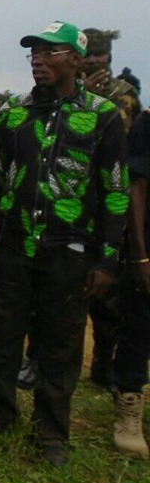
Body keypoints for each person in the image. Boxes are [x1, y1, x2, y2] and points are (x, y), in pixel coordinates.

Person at [0, 21, 129, 467]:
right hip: (14, 245)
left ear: (77, 61)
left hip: (71, 250)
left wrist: (108, 259)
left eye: (50, 53)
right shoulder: (14, 113)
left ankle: (51, 433)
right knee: (2, 333)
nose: (38, 60)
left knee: (61, 342)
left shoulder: (103, 116)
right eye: (34, 53)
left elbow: (115, 191)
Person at [79, 28, 140, 389]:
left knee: (109, 297)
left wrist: (99, 103)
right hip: (70, 205)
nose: (98, 67)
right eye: (91, 62)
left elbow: (121, 144)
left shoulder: (123, 97)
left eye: (103, 61)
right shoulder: (65, 94)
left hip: (109, 209)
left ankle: (104, 363)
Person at [112, 108, 150, 458]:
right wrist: (139, 254)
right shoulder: (147, 122)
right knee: (139, 325)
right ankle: (129, 404)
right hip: (147, 246)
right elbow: (136, 187)